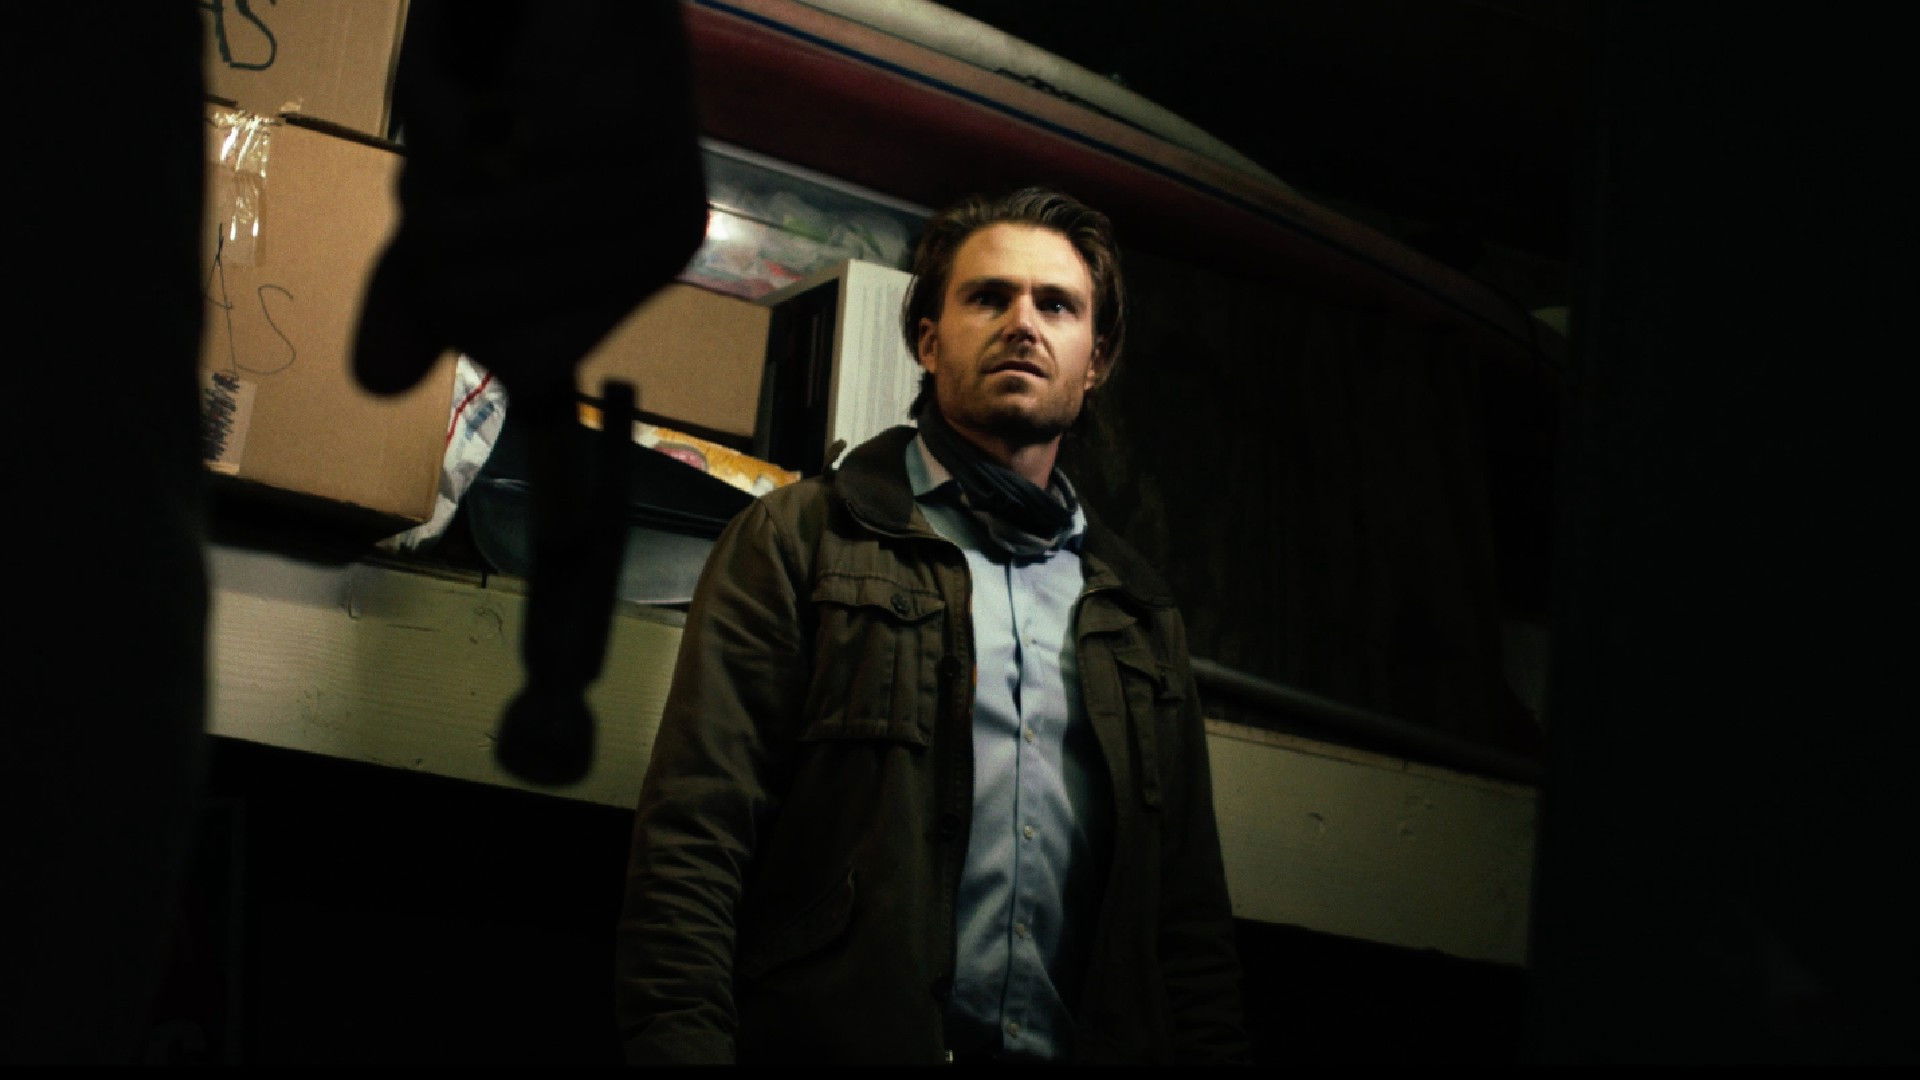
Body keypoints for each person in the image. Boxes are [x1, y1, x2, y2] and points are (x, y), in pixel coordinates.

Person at [615, 187, 1250, 1065]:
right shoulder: (802, 539)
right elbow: (694, 837)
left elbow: (1189, 923)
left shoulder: (1137, 613)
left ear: (1096, 360)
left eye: (1056, 305)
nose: (1023, 324)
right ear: (927, 340)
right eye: (989, 297)